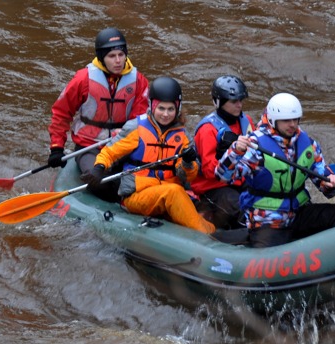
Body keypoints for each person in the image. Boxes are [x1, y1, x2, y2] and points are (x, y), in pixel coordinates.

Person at [215, 92, 335, 248]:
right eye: (286, 120)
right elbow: (223, 176)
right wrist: (235, 151)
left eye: (295, 119)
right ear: (272, 120)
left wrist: (330, 184)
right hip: (268, 220)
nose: (293, 124)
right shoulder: (254, 145)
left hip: (299, 213)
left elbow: (321, 179)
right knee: (268, 258)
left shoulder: (307, 143)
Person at [81, 76, 215, 234]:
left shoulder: (183, 137)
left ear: (177, 109)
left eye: (170, 109)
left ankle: (213, 230)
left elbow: (188, 176)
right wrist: (99, 168)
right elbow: (110, 152)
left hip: (164, 192)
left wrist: (187, 163)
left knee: (200, 205)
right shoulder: (136, 128)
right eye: (161, 108)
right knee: (173, 192)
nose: (165, 114)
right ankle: (209, 236)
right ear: (152, 106)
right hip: (137, 194)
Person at [47, 27, 150, 202]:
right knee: (100, 182)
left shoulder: (139, 81)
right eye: (112, 56)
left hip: (123, 145)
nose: (118, 61)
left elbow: (141, 119)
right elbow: (61, 113)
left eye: (121, 55)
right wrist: (57, 147)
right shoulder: (82, 79)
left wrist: (125, 135)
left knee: (142, 179)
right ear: (102, 57)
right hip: (90, 146)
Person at [191, 75, 255, 229]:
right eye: (234, 101)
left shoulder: (246, 121)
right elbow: (209, 170)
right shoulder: (208, 129)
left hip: (240, 180)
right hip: (212, 187)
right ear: (219, 102)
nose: (239, 105)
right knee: (238, 207)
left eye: (241, 100)